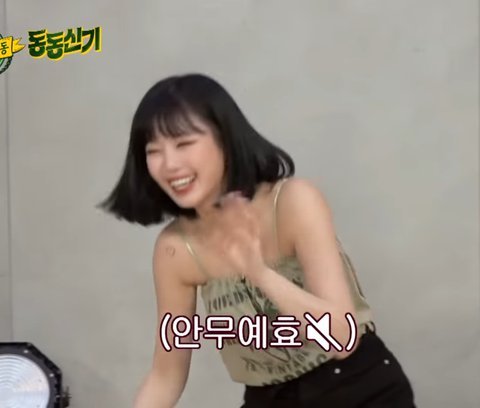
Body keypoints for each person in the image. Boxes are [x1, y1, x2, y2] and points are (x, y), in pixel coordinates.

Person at [98, 73, 416, 407]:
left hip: (357, 388)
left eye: (183, 144)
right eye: (153, 151)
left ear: (224, 138)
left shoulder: (293, 202)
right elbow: (166, 376)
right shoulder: (175, 249)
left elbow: (340, 338)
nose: (169, 164)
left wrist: (258, 273)